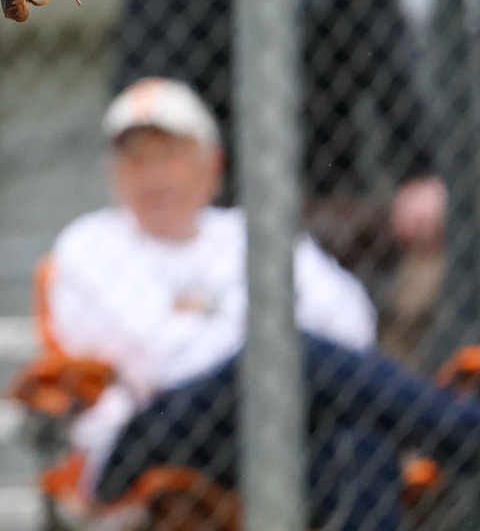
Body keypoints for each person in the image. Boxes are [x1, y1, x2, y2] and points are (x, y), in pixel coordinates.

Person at [44, 78, 480, 529]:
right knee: (288, 352)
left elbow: (351, 325)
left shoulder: (247, 231)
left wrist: (251, 344)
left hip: (267, 429)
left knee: (358, 444)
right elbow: (157, 358)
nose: (153, 175)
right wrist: (265, 345)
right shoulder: (90, 244)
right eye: (135, 159)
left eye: (169, 155)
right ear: (113, 174)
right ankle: (464, 431)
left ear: (212, 166)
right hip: (148, 438)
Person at [113, 0, 445, 339]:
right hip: (211, 189)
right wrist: (161, 173)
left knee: (345, 317)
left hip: (326, 175)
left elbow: (386, 54)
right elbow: (150, 68)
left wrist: (418, 170)